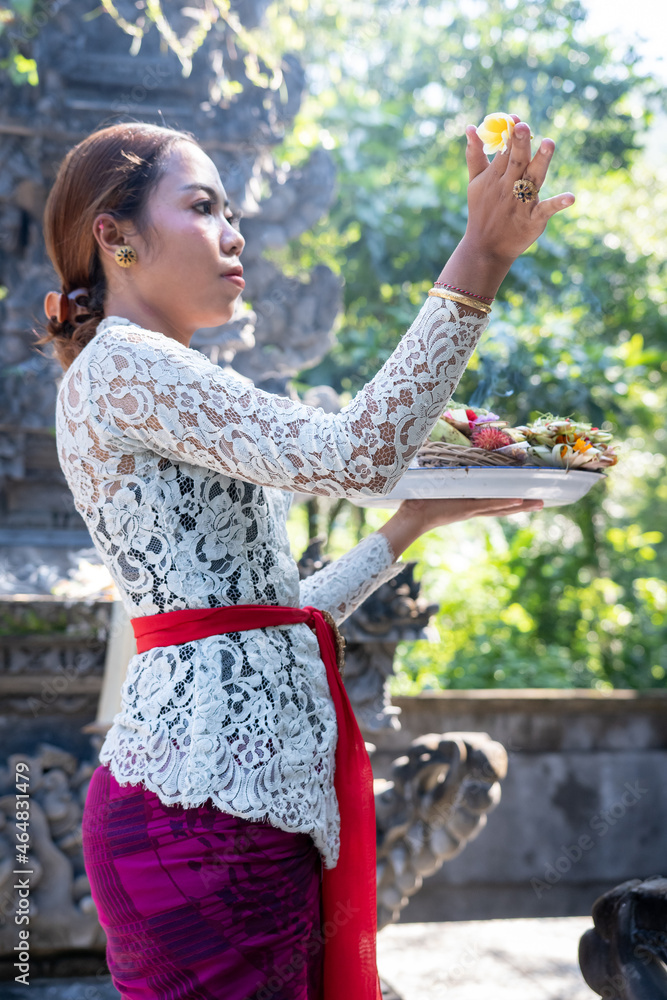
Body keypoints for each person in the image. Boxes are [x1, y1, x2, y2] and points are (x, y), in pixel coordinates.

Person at [39, 117, 572, 1000]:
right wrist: (479, 256)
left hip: (240, 810)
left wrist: (405, 530)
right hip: (200, 820)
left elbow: (269, 619)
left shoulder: (150, 372)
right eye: (204, 206)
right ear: (116, 235)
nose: (235, 233)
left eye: (232, 209)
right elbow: (355, 453)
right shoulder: (125, 367)